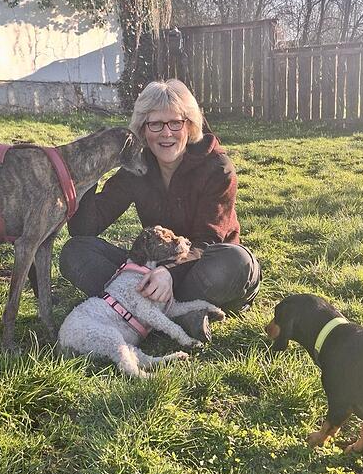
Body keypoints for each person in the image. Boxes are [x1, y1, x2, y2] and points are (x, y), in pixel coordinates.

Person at [59, 79, 261, 342]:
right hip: (152, 270)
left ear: (189, 125)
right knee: (75, 251)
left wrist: (169, 273)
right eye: (155, 124)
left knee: (237, 261)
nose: (166, 133)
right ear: (143, 130)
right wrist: (90, 171)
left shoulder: (217, 168)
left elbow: (209, 240)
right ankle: (177, 313)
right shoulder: (137, 167)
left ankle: (147, 311)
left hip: (204, 266)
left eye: (175, 123)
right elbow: (84, 228)